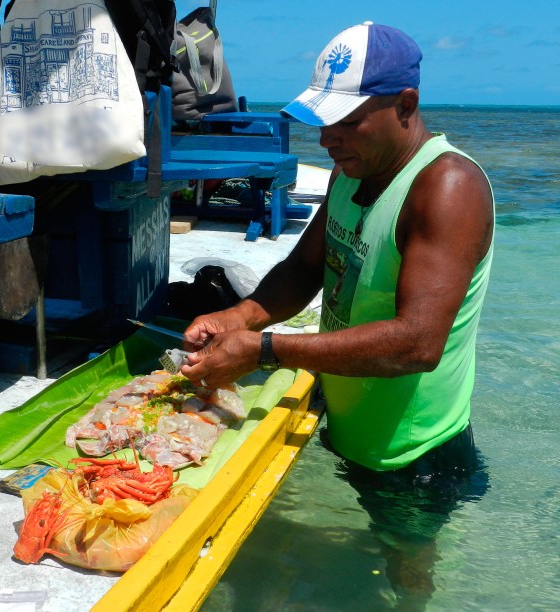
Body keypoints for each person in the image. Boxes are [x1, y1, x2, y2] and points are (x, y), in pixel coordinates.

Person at [179, 21, 494, 603]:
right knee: (365, 554)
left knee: (407, 572)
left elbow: (416, 344)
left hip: (413, 452)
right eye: (325, 121)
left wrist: (264, 349)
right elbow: (304, 269)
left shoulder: (447, 187)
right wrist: (241, 317)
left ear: (406, 105)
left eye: (348, 122)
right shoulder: (355, 174)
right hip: (353, 425)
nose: (329, 140)